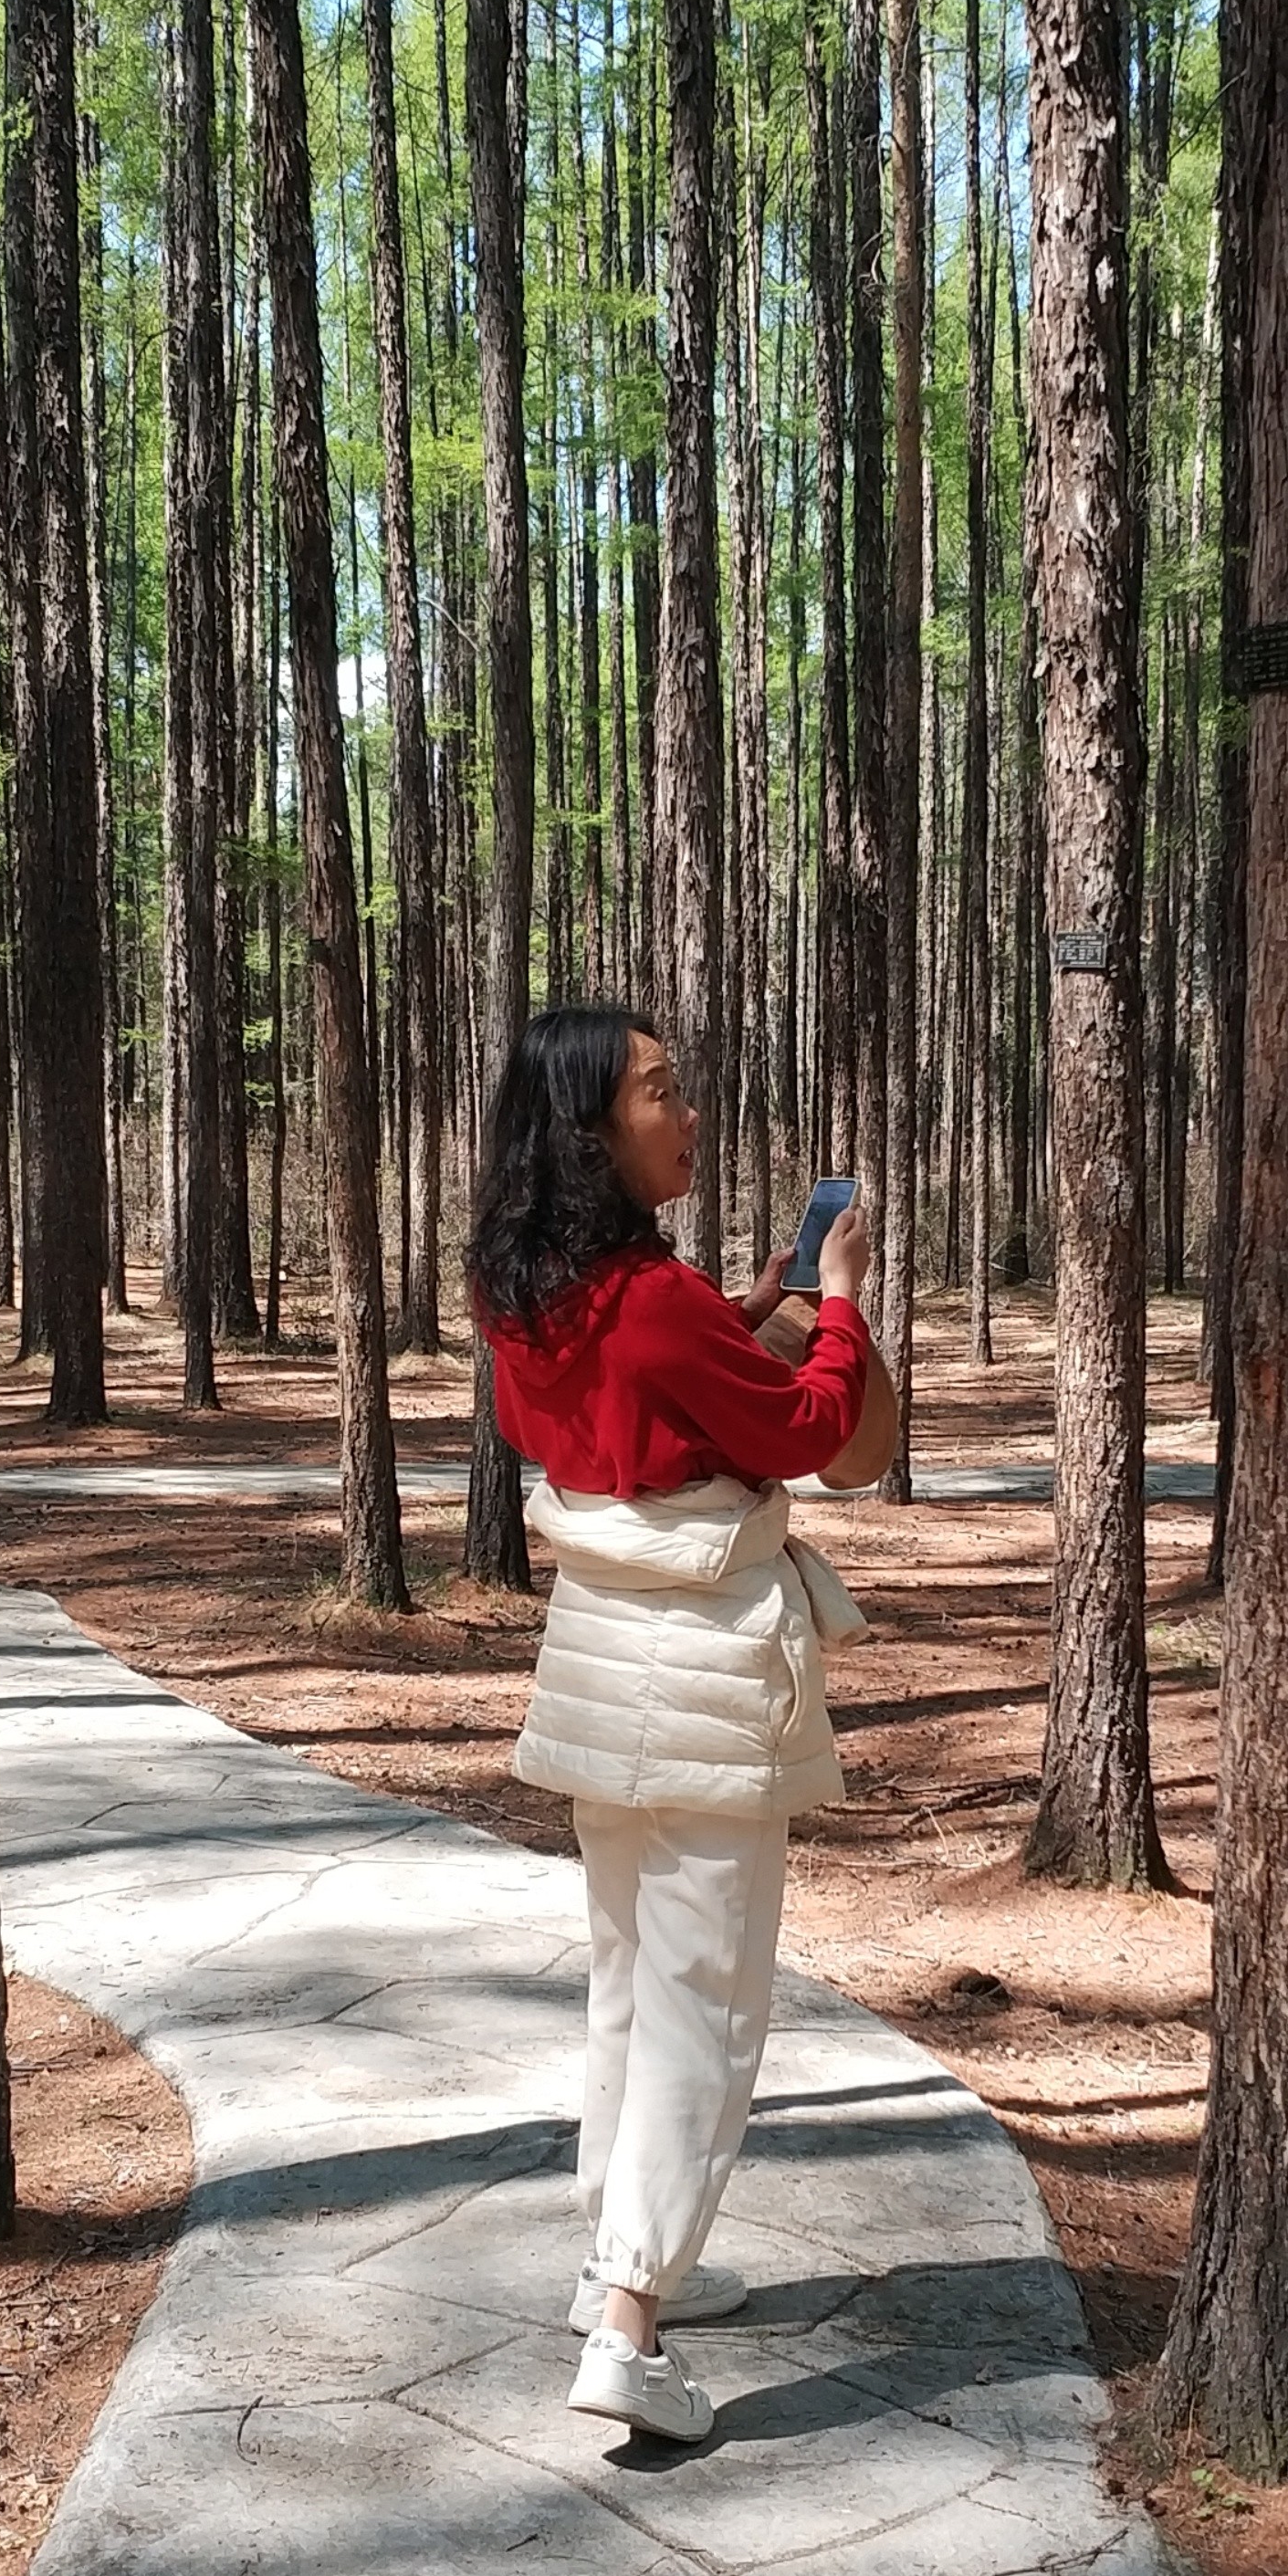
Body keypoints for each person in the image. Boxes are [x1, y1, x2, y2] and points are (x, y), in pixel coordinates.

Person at [470, 1004, 875, 2446]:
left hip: (597, 1667)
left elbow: (656, 1411)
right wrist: (838, 1303)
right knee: (707, 2008)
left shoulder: (526, 1294)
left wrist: (749, 1316)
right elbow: (815, 1433)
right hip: (702, 1673)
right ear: (591, 1128)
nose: (685, 1107)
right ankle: (632, 2323)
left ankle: (618, 2258)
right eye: (658, 1089)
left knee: (632, 1986)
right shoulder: (652, 1303)